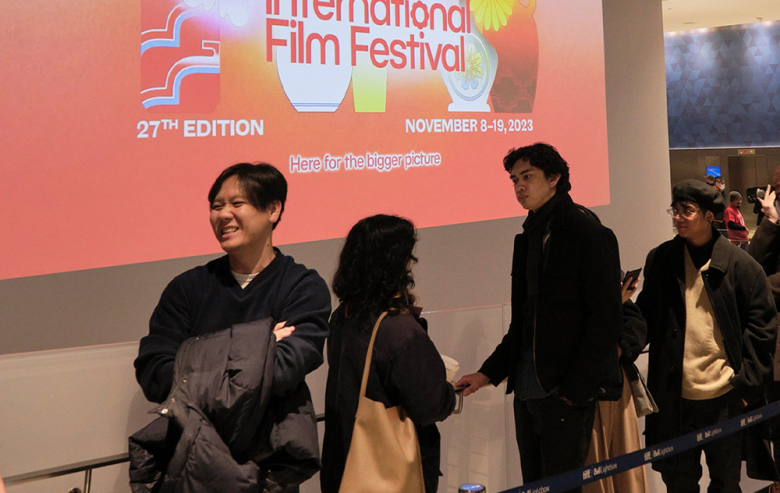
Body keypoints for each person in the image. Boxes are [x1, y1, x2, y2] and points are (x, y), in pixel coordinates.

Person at [132, 162, 332, 492]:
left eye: (236, 204)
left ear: (273, 209)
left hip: (269, 473)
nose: (223, 215)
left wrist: (194, 361)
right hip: (192, 470)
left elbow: (285, 368)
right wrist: (261, 345)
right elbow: (155, 373)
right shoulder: (188, 288)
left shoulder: (302, 286)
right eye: (216, 206)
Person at [456, 143, 622, 493]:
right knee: (534, 486)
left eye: (527, 177)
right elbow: (525, 323)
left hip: (562, 391)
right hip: (527, 391)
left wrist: (575, 393)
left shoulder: (589, 233)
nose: (519, 186)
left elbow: (605, 322)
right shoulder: (527, 238)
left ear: (555, 178)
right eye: (514, 179)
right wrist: (488, 373)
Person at [636, 180, 776, 493]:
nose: (677, 218)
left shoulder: (741, 265)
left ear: (709, 216)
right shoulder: (661, 259)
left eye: (687, 211)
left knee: (726, 483)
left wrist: (745, 387)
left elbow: (762, 326)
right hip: (675, 400)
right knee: (679, 483)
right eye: (675, 210)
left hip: (724, 398)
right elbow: (646, 317)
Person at [321, 214, 455, 493]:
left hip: (342, 464)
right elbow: (430, 405)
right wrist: (450, 392)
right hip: (386, 474)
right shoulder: (399, 331)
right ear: (396, 263)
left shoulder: (343, 316)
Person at [584, 277, 648, 493]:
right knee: (593, 478)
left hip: (616, 384)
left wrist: (618, 351)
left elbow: (636, 323)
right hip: (580, 390)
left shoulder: (603, 263)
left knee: (627, 476)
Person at [748, 166, 780, 482]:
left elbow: (759, 283)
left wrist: (762, 287)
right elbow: (750, 268)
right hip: (775, 347)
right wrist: (770, 221)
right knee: (777, 427)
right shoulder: (775, 225)